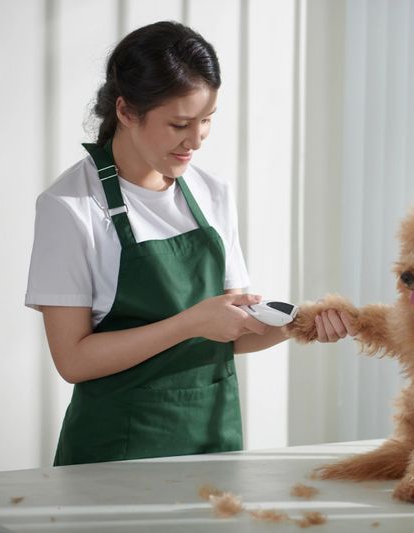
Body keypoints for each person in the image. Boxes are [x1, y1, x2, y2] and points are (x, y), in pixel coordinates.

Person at [25, 21, 353, 466]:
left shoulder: (211, 192)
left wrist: (302, 322)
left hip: (212, 445)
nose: (196, 140)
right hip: (115, 455)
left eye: (207, 120)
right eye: (180, 123)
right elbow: (73, 361)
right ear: (125, 111)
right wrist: (189, 323)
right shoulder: (71, 207)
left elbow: (232, 330)